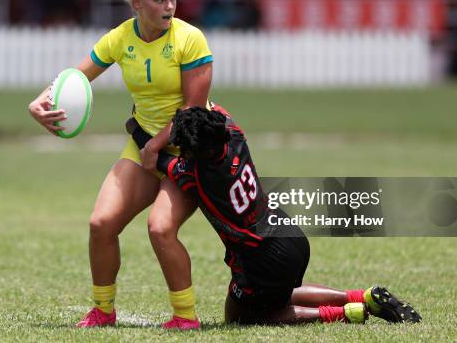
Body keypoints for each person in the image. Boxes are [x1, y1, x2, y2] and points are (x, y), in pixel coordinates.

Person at [28, 0, 213, 330]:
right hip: (145, 146)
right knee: (101, 223)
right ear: (137, 4)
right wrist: (41, 100)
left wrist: (156, 146)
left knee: (160, 229)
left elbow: (194, 111)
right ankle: (102, 311)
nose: (170, 7)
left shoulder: (190, 38)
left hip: (190, 148)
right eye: (160, 0)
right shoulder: (120, 38)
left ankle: (185, 316)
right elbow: (75, 77)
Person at [126, 105, 422, 325]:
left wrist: (135, 127)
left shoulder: (198, 176)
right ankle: (361, 295)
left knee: (242, 317)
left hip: (264, 256)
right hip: (289, 232)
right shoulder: (232, 131)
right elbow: (208, 106)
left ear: (194, 153)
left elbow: (157, 160)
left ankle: (345, 314)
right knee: (279, 293)